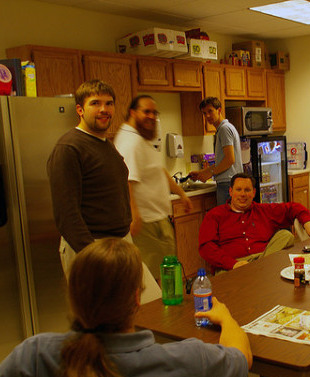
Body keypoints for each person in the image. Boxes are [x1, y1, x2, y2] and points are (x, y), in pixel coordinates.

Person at [0, 238, 251, 377]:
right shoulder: (192, 361)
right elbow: (241, 359)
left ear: (73, 297)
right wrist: (225, 318)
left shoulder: (34, 356)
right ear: (136, 298)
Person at [47, 79, 131, 276]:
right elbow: (66, 215)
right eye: (95, 103)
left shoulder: (105, 143)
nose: (104, 109)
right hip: (91, 247)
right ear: (80, 110)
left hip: (118, 243)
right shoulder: (69, 148)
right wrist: (94, 255)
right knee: (97, 307)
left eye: (109, 103)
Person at [114, 95, 192, 280]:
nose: (151, 116)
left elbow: (159, 170)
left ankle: (169, 307)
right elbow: (126, 180)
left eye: (154, 112)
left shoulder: (141, 138)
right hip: (146, 223)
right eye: (146, 111)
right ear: (133, 112)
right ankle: (162, 309)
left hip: (157, 218)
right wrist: (134, 216)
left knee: (167, 273)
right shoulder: (130, 142)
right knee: (155, 278)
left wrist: (182, 194)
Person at [199, 173, 310, 273]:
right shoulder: (215, 215)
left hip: (263, 258)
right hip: (232, 266)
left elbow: (292, 207)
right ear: (231, 191)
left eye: (247, 190)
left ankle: (260, 270)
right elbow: (206, 247)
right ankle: (261, 271)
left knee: (285, 236)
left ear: (254, 193)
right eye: (238, 190)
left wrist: (307, 223)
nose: (243, 194)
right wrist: (232, 264)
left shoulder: (263, 210)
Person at [189, 97, 243, 205]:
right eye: (204, 113)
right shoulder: (224, 129)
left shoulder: (224, 129)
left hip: (228, 183)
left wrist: (210, 174)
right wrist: (202, 172)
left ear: (219, 110)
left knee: (227, 220)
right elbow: (222, 162)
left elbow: (229, 160)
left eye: (210, 111)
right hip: (231, 181)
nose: (207, 116)